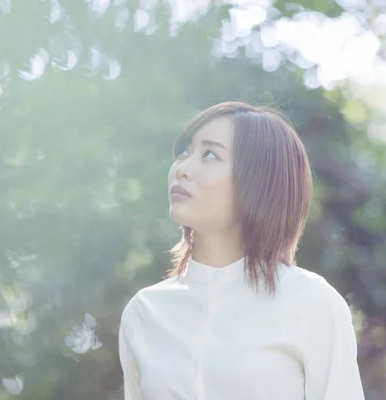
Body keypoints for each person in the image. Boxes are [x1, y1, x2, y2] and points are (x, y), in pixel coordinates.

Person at [118, 101, 365, 399]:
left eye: (210, 154)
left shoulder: (312, 303)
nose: (182, 169)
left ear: (259, 182)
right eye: (185, 152)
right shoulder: (144, 313)